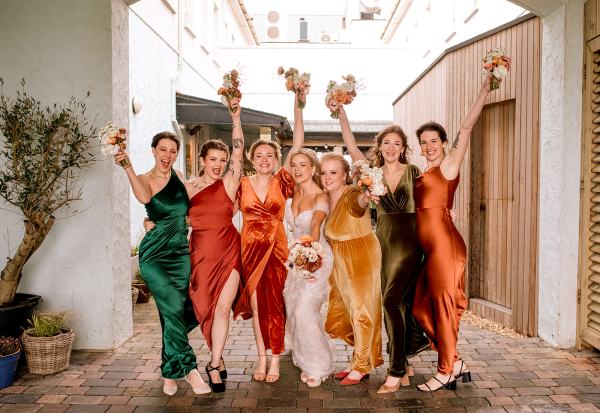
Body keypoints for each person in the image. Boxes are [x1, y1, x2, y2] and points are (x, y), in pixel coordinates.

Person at [332, 105, 430, 393]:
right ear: (380, 146)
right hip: (383, 243)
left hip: (409, 243)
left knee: (390, 303)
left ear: (403, 149)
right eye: (386, 142)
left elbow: (429, 202)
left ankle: (396, 369)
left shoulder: (413, 171)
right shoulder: (370, 173)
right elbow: (350, 146)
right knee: (397, 304)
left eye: (396, 143)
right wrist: (341, 114)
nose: (391, 147)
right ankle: (406, 358)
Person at [412, 76, 493, 392]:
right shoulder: (424, 174)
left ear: (444, 144)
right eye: (424, 141)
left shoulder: (448, 167)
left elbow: (466, 129)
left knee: (444, 308)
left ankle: (445, 370)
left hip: (446, 247)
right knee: (421, 307)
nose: (429, 146)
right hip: (429, 251)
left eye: (434, 140)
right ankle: (455, 360)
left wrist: (484, 88)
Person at [114, 133, 210, 396]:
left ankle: (170, 372)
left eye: (172, 151)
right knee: (172, 308)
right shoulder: (144, 179)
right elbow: (145, 198)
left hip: (180, 254)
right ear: (153, 151)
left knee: (173, 312)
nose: (167, 155)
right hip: (155, 256)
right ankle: (190, 370)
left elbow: (192, 207)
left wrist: (189, 221)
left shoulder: (179, 176)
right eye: (162, 150)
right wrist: (127, 167)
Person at [233, 93, 306, 382]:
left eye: (270, 156)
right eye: (259, 155)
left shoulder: (282, 181)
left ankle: (275, 359)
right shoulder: (241, 184)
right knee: (255, 305)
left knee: (275, 303)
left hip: (276, 248)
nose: (264, 160)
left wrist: (298, 103)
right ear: (252, 158)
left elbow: (298, 142)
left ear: (277, 160)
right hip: (249, 247)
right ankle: (261, 358)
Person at [320, 153, 384, 386]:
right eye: (324, 172)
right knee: (349, 310)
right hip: (340, 258)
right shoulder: (326, 198)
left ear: (345, 175)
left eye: (333, 172)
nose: (327, 177)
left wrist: (367, 197)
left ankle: (361, 365)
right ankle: (360, 358)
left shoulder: (351, 193)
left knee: (361, 310)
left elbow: (359, 205)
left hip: (360, 254)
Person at [283, 148, 334, 387]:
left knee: (305, 311)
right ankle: (300, 355)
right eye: (294, 165)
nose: (298, 169)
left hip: (317, 257)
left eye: (303, 165)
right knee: (292, 306)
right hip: (296, 258)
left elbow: (315, 225)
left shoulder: (321, 197)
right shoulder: (293, 190)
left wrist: (311, 254)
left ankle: (318, 365)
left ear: (313, 169)